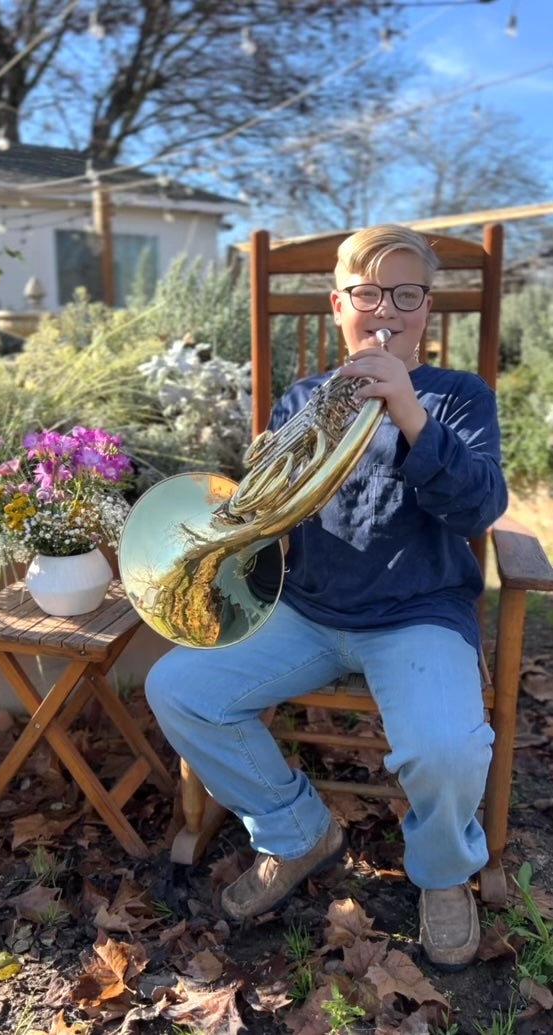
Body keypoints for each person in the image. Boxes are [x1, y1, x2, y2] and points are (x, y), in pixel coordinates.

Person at [145, 224, 508, 970]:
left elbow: (478, 508)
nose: (387, 310)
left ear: (426, 308)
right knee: (178, 687)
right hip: (306, 607)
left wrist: (409, 412)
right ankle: (295, 829)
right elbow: (271, 505)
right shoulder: (307, 397)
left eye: (405, 294)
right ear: (338, 304)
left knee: (443, 748)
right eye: (368, 293)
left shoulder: (458, 397)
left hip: (417, 611)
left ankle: (442, 872)